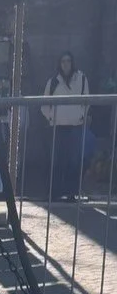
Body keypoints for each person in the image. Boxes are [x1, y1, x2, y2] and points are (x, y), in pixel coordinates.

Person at [41, 52, 90, 201]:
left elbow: (86, 99)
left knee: (74, 161)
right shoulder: (53, 81)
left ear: (72, 62)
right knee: (57, 160)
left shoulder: (81, 78)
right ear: (59, 64)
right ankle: (54, 192)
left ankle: (71, 192)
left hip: (75, 126)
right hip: (58, 126)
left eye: (68, 61)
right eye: (63, 61)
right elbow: (44, 103)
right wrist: (51, 117)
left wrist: (81, 115)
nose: (66, 64)